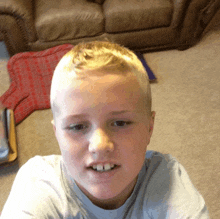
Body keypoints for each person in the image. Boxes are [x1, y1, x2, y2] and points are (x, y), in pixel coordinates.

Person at [1, 41, 209, 218]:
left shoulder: (166, 179)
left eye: (120, 123)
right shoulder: (39, 184)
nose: (100, 145)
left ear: (149, 127)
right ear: (57, 134)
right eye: (77, 126)